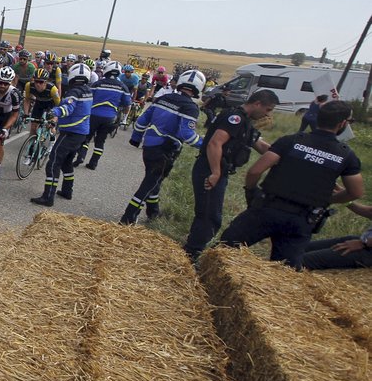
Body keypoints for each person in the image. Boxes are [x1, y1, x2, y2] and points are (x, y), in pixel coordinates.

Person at [219, 100, 364, 269]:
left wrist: (251, 191)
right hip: (301, 219)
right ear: (342, 124)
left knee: (225, 249)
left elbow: (255, 171)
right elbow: (355, 192)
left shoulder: (291, 141)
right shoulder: (346, 155)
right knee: (284, 271)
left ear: (317, 118)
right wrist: (329, 199)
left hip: (267, 208)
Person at [182, 89, 278, 262]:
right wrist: (215, 172)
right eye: (268, 109)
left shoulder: (245, 122)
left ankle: (191, 252)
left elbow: (261, 145)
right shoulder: (235, 118)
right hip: (211, 169)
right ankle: (190, 255)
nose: (267, 114)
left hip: (218, 170)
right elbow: (214, 143)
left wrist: (283, 154)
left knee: (209, 214)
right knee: (209, 217)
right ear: (257, 104)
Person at [119, 70, 204, 225]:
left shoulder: (162, 98)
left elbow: (141, 121)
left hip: (149, 147)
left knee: (155, 181)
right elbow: (188, 135)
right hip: (166, 151)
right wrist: (206, 145)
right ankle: (128, 218)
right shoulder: (190, 107)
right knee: (149, 183)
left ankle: (153, 212)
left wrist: (136, 138)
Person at [31, 63, 92, 206]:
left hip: (71, 132)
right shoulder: (88, 91)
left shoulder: (74, 92)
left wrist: (55, 112)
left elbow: (67, 108)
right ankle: (67, 191)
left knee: (53, 163)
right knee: (66, 163)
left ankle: (48, 197)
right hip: (81, 133)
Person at [74, 60, 131, 170]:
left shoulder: (98, 83)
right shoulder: (123, 86)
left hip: (94, 114)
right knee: (100, 141)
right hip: (109, 118)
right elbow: (127, 104)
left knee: (86, 137)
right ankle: (93, 163)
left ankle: (81, 156)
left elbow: (88, 97)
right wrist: (122, 116)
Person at [301, 201, 372, 269]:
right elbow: (369, 212)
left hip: (368, 248)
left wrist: (363, 243)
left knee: (301, 260)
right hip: (365, 240)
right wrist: (347, 199)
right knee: (297, 249)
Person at [21, 68, 61, 136]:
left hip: (51, 105)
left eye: (41, 82)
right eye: (36, 81)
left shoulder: (53, 89)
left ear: (45, 82)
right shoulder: (29, 85)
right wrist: (26, 114)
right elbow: (27, 100)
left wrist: (54, 120)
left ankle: (52, 142)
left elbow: (58, 106)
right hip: (39, 104)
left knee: (50, 127)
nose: (38, 84)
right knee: (33, 127)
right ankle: (32, 145)